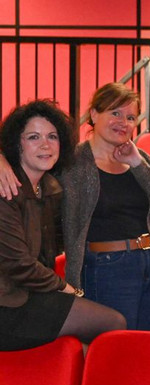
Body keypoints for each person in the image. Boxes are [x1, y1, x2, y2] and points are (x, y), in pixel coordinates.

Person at [0, 100, 125, 350]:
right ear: (17, 144)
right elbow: (18, 264)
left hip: (28, 294)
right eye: (33, 137)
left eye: (52, 136)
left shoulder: (50, 188)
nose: (45, 145)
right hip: (7, 304)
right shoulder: (6, 189)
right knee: (113, 322)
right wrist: (67, 289)